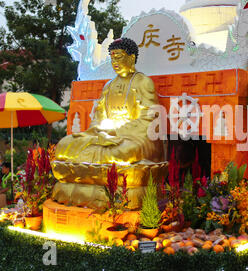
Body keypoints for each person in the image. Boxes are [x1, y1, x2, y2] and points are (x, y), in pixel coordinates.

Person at [52, 37, 165, 207]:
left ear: (132, 57)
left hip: (133, 140)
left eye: (119, 57)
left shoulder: (143, 82)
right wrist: (100, 132)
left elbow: (148, 119)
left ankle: (97, 172)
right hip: (103, 138)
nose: (115, 62)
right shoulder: (109, 86)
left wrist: (116, 133)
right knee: (63, 145)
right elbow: (98, 117)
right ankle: (97, 167)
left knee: (126, 152)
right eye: (112, 58)